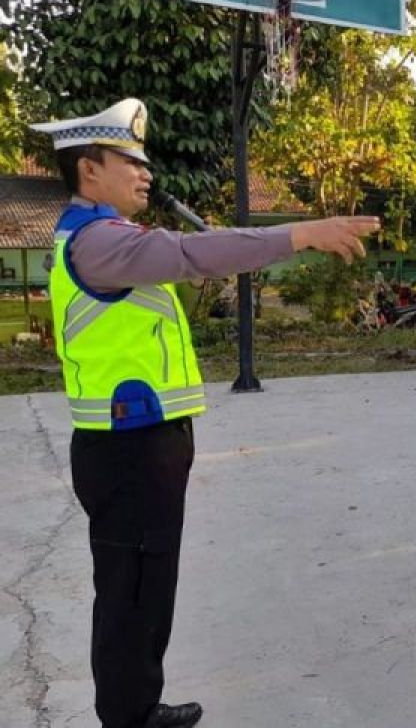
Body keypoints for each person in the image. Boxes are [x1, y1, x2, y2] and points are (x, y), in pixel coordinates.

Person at [33, 99, 380, 728]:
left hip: (141, 440)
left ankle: (138, 705)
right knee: (132, 592)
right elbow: (195, 254)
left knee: (145, 587)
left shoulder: (100, 238)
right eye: (131, 162)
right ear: (90, 170)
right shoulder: (100, 240)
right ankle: (128, 717)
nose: (146, 174)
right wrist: (302, 232)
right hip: (128, 448)